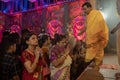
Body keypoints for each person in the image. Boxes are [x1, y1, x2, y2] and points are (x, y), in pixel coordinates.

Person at [82, 2, 109, 70]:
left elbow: (101, 26)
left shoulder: (97, 14)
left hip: (97, 40)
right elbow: (86, 27)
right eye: (83, 10)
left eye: (85, 9)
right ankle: (93, 73)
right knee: (89, 59)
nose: (84, 11)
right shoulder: (88, 17)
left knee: (97, 60)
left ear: (90, 7)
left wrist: (99, 37)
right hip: (90, 42)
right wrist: (80, 33)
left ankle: (96, 73)